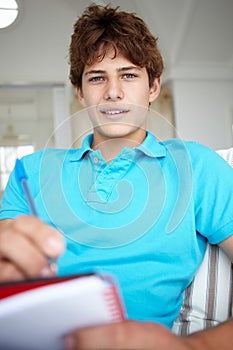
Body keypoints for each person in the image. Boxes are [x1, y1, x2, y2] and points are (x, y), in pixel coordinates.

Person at [0, 3, 233, 349]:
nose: (113, 92)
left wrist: (193, 347)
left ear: (153, 87)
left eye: (128, 74)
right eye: (97, 78)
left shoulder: (197, 166)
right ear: (81, 93)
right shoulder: (30, 172)